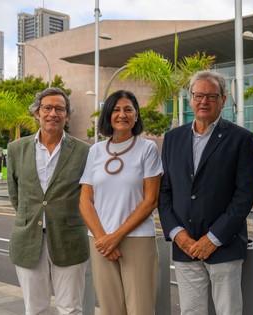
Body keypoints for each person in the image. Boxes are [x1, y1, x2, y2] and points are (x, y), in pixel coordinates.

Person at [158, 70, 253, 315]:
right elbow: (164, 191)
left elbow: (244, 195)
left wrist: (212, 239)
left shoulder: (241, 138)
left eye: (211, 96)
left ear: (223, 100)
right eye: (198, 95)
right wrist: (177, 234)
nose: (204, 101)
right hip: (185, 246)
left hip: (224, 246)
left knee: (228, 311)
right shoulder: (172, 138)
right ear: (190, 98)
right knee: (190, 312)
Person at [7, 87, 90, 315]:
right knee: (35, 309)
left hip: (70, 240)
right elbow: (15, 193)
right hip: (28, 241)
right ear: (37, 113)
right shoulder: (16, 149)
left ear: (67, 114)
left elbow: (89, 195)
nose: (53, 113)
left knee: (71, 309)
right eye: (47, 108)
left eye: (59, 109)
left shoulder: (84, 151)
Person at [79, 90, 162, 315]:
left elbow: (151, 200)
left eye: (128, 109)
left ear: (136, 115)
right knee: (109, 310)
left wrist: (115, 237)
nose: (122, 115)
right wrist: (103, 239)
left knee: (140, 309)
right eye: (116, 109)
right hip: (101, 242)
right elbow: (85, 200)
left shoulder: (147, 149)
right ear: (108, 115)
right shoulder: (95, 151)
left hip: (137, 240)